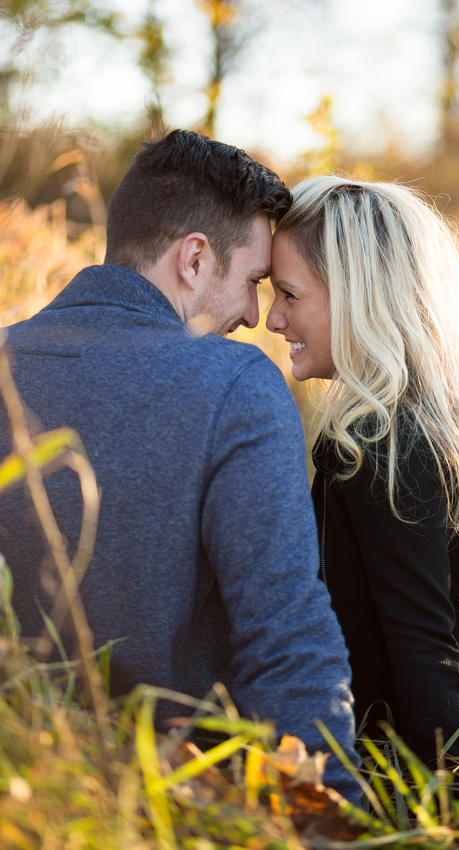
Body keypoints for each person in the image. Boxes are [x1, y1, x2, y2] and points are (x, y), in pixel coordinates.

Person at [0, 132, 360, 801]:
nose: (255, 314)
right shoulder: (233, 385)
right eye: (251, 282)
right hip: (181, 807)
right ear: (193, 258)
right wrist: (331, 813)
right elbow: (284, 628)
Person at [266, 174, 459, 771]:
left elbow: (421, 652)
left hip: (424, 772)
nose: (271, 319)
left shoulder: (371, 444)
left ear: (359, 299)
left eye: (290, 295)